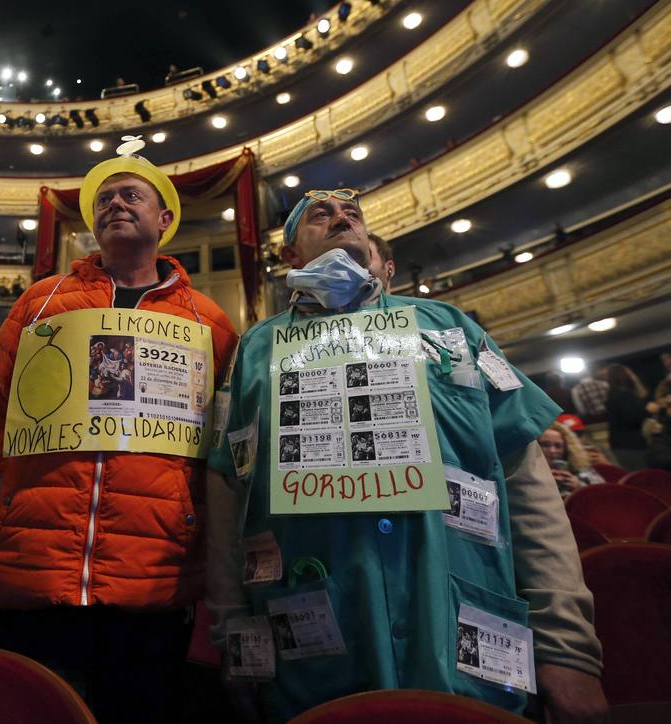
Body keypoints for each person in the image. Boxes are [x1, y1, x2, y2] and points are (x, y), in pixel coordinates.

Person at [207, 187, 605, 723]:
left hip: (465, 642)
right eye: (321, 214)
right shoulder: (255, 351)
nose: (342, 217)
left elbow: (528, 488)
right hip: (317, 656)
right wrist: (237, 643)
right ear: (289, 255)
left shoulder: (451, 329)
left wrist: (567, 647)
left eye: (352, 213)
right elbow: (228, 498)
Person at [0, 153, 238, 723]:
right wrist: (27, 489)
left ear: (165, 219)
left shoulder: (210, 322)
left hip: (152, 573)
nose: (115, 204)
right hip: (36, 562)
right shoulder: (41, 301)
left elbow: (221, 437)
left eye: (131, 195)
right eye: (104, 198)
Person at [603, 364, 656, 471]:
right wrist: (648, 411)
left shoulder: (612, 396)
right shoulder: (625, 395)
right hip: (632, 445)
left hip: (619, 445)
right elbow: (632, 419)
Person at [538, 422, 605, 497]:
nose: (552, 450)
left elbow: (604, 495)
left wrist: (579, 486)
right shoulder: (528, 473)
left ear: (566, 449)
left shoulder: (581, 471)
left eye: (558, 446)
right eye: (545, 445)